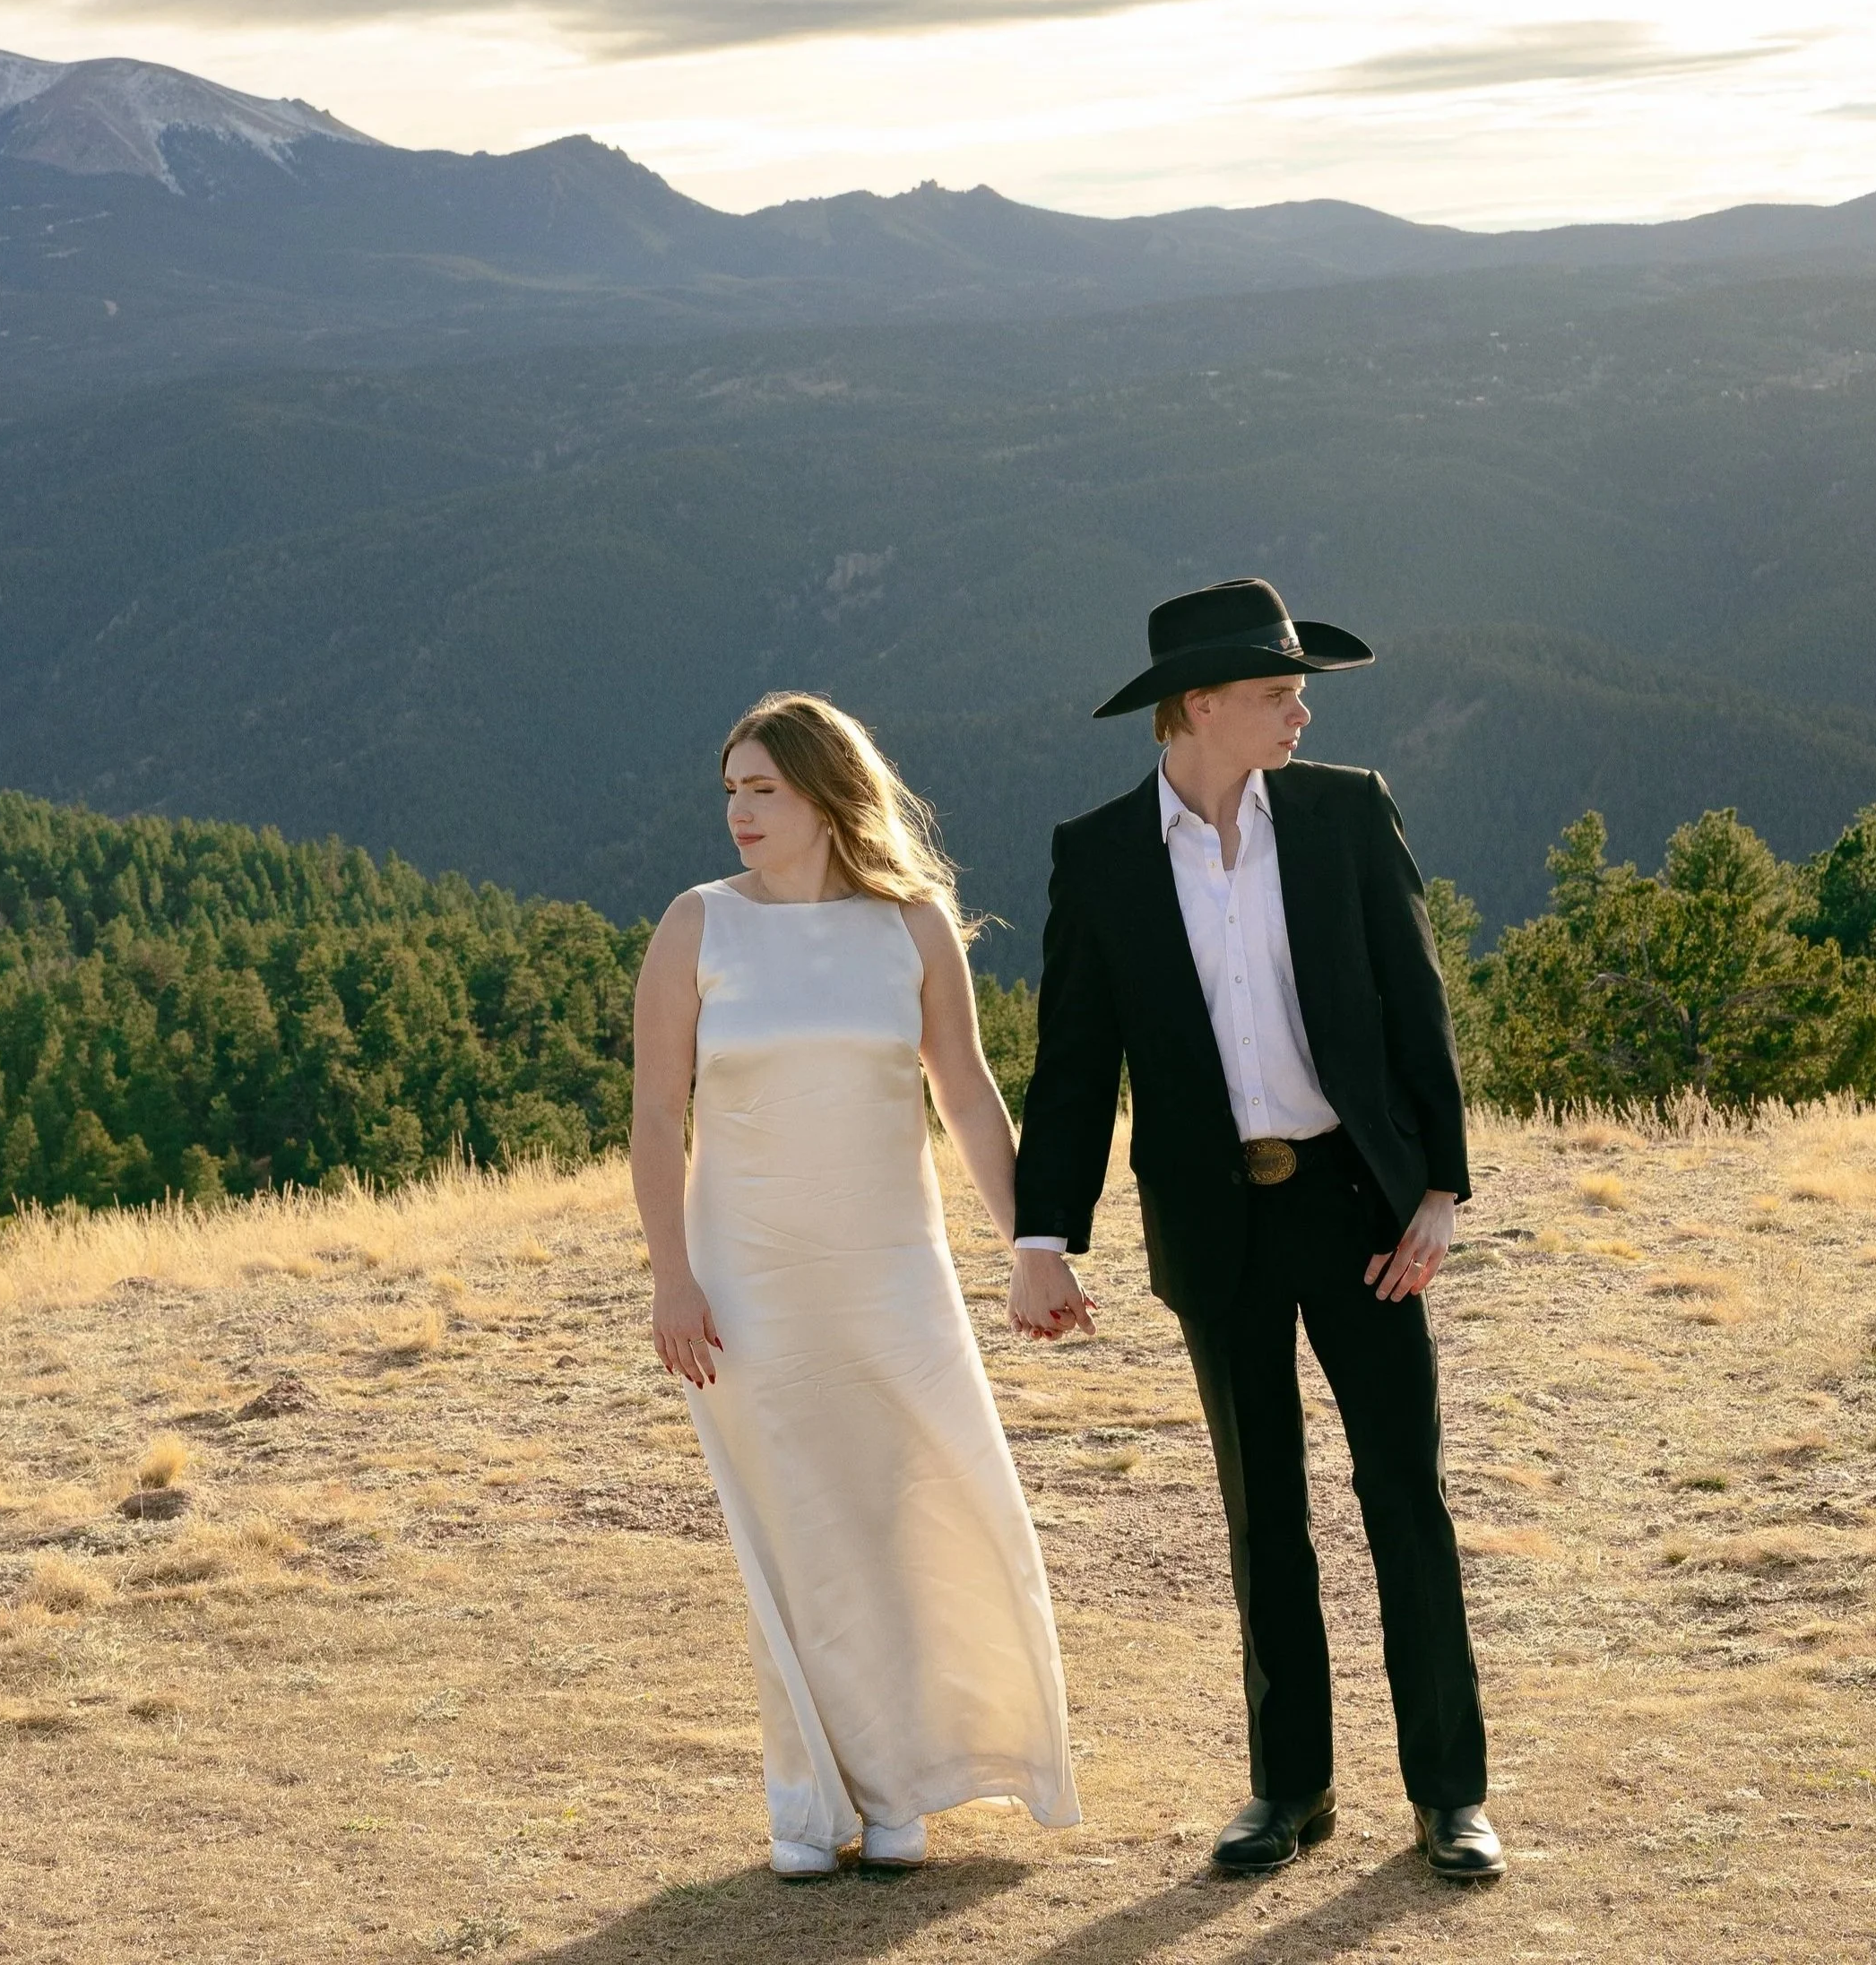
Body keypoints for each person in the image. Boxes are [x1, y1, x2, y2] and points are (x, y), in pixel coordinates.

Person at [1008, 578, 1501, 1881]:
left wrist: (1438, 1192)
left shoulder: (1346, 814)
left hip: (1358, 1213)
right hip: (1213, 1229)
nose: (1300, 709)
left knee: (1405, 1495)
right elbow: (1072, 1066)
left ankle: (1451, 1793)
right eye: (1279, 691)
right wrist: (1041, 1238)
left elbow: (1416, 1002)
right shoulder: (1100, 853)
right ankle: (1291, 1790)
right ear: (1200, 706)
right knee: (1258, 1511)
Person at [631, 692, 1080, 1881]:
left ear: (829, 793)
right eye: (729, 788)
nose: (738, 811)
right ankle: (804, 1798)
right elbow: (654, 1115)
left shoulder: (913, 927)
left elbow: (969, 1095)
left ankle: (901, 1789)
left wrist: (1034, 1244)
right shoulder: (696, 926)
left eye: (762, 789)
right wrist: (673, 1278)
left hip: (894, 1273)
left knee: (909, 1515)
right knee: (790, 1525)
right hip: (750, 1278)